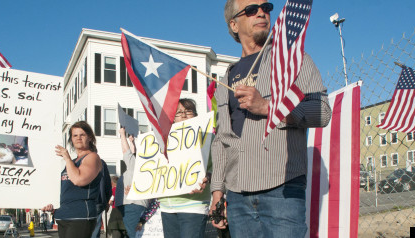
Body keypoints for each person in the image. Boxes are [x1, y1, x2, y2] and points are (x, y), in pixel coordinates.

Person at [210, 1, 332, 237]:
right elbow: (221, 140)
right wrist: (217, 192)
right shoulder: (226, 76)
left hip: (282, 189)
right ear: (233, 24)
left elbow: (322, 111)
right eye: (251, 9)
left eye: (266, 7)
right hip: (237, 194)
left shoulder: (292, 60)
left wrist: (268, 107)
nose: (262, 13)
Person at [158, 98, 211, 238]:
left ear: (196, 115)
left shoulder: (206, 138)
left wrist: (208, 178)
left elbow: (217, 168)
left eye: (188, 111)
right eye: (178, 112)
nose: (183, 115)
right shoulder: (163, 141)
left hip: (193, 204)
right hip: (167, 206)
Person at [43, 121, 103, 238]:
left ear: (90, 137)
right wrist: (52, 204)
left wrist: (66, 157)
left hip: (80, 216)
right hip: (63, 215)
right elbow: (64, 189)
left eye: (82, 135)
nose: (78, 138)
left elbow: (78, 180)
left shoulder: (92, 157)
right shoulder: (72, 162)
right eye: (75, 135)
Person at [117, 127, 152, 237]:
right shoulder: (144, 168)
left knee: (134, 234)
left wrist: (122, 134)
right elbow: (132, 154)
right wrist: (132, 142)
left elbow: (126, 152)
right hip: (138, 205)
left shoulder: (135, 167)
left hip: (133, 205)